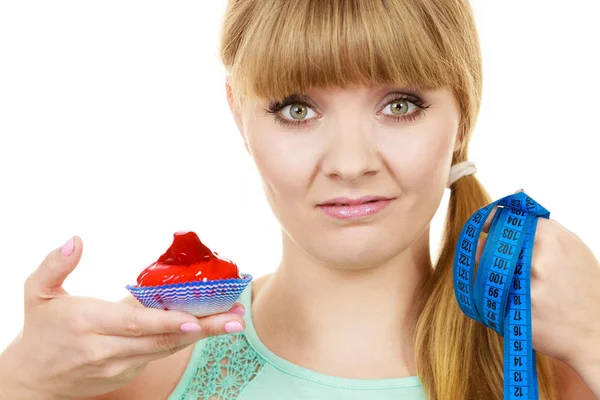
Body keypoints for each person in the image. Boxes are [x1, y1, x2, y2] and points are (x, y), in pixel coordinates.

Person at [1, 0, 599, 399]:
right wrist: (21, 379)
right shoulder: (141, 372)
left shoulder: (557, 365)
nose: (350, 162)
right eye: (297, 109)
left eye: (399, 105)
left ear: (463, 113)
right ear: (239, 116)